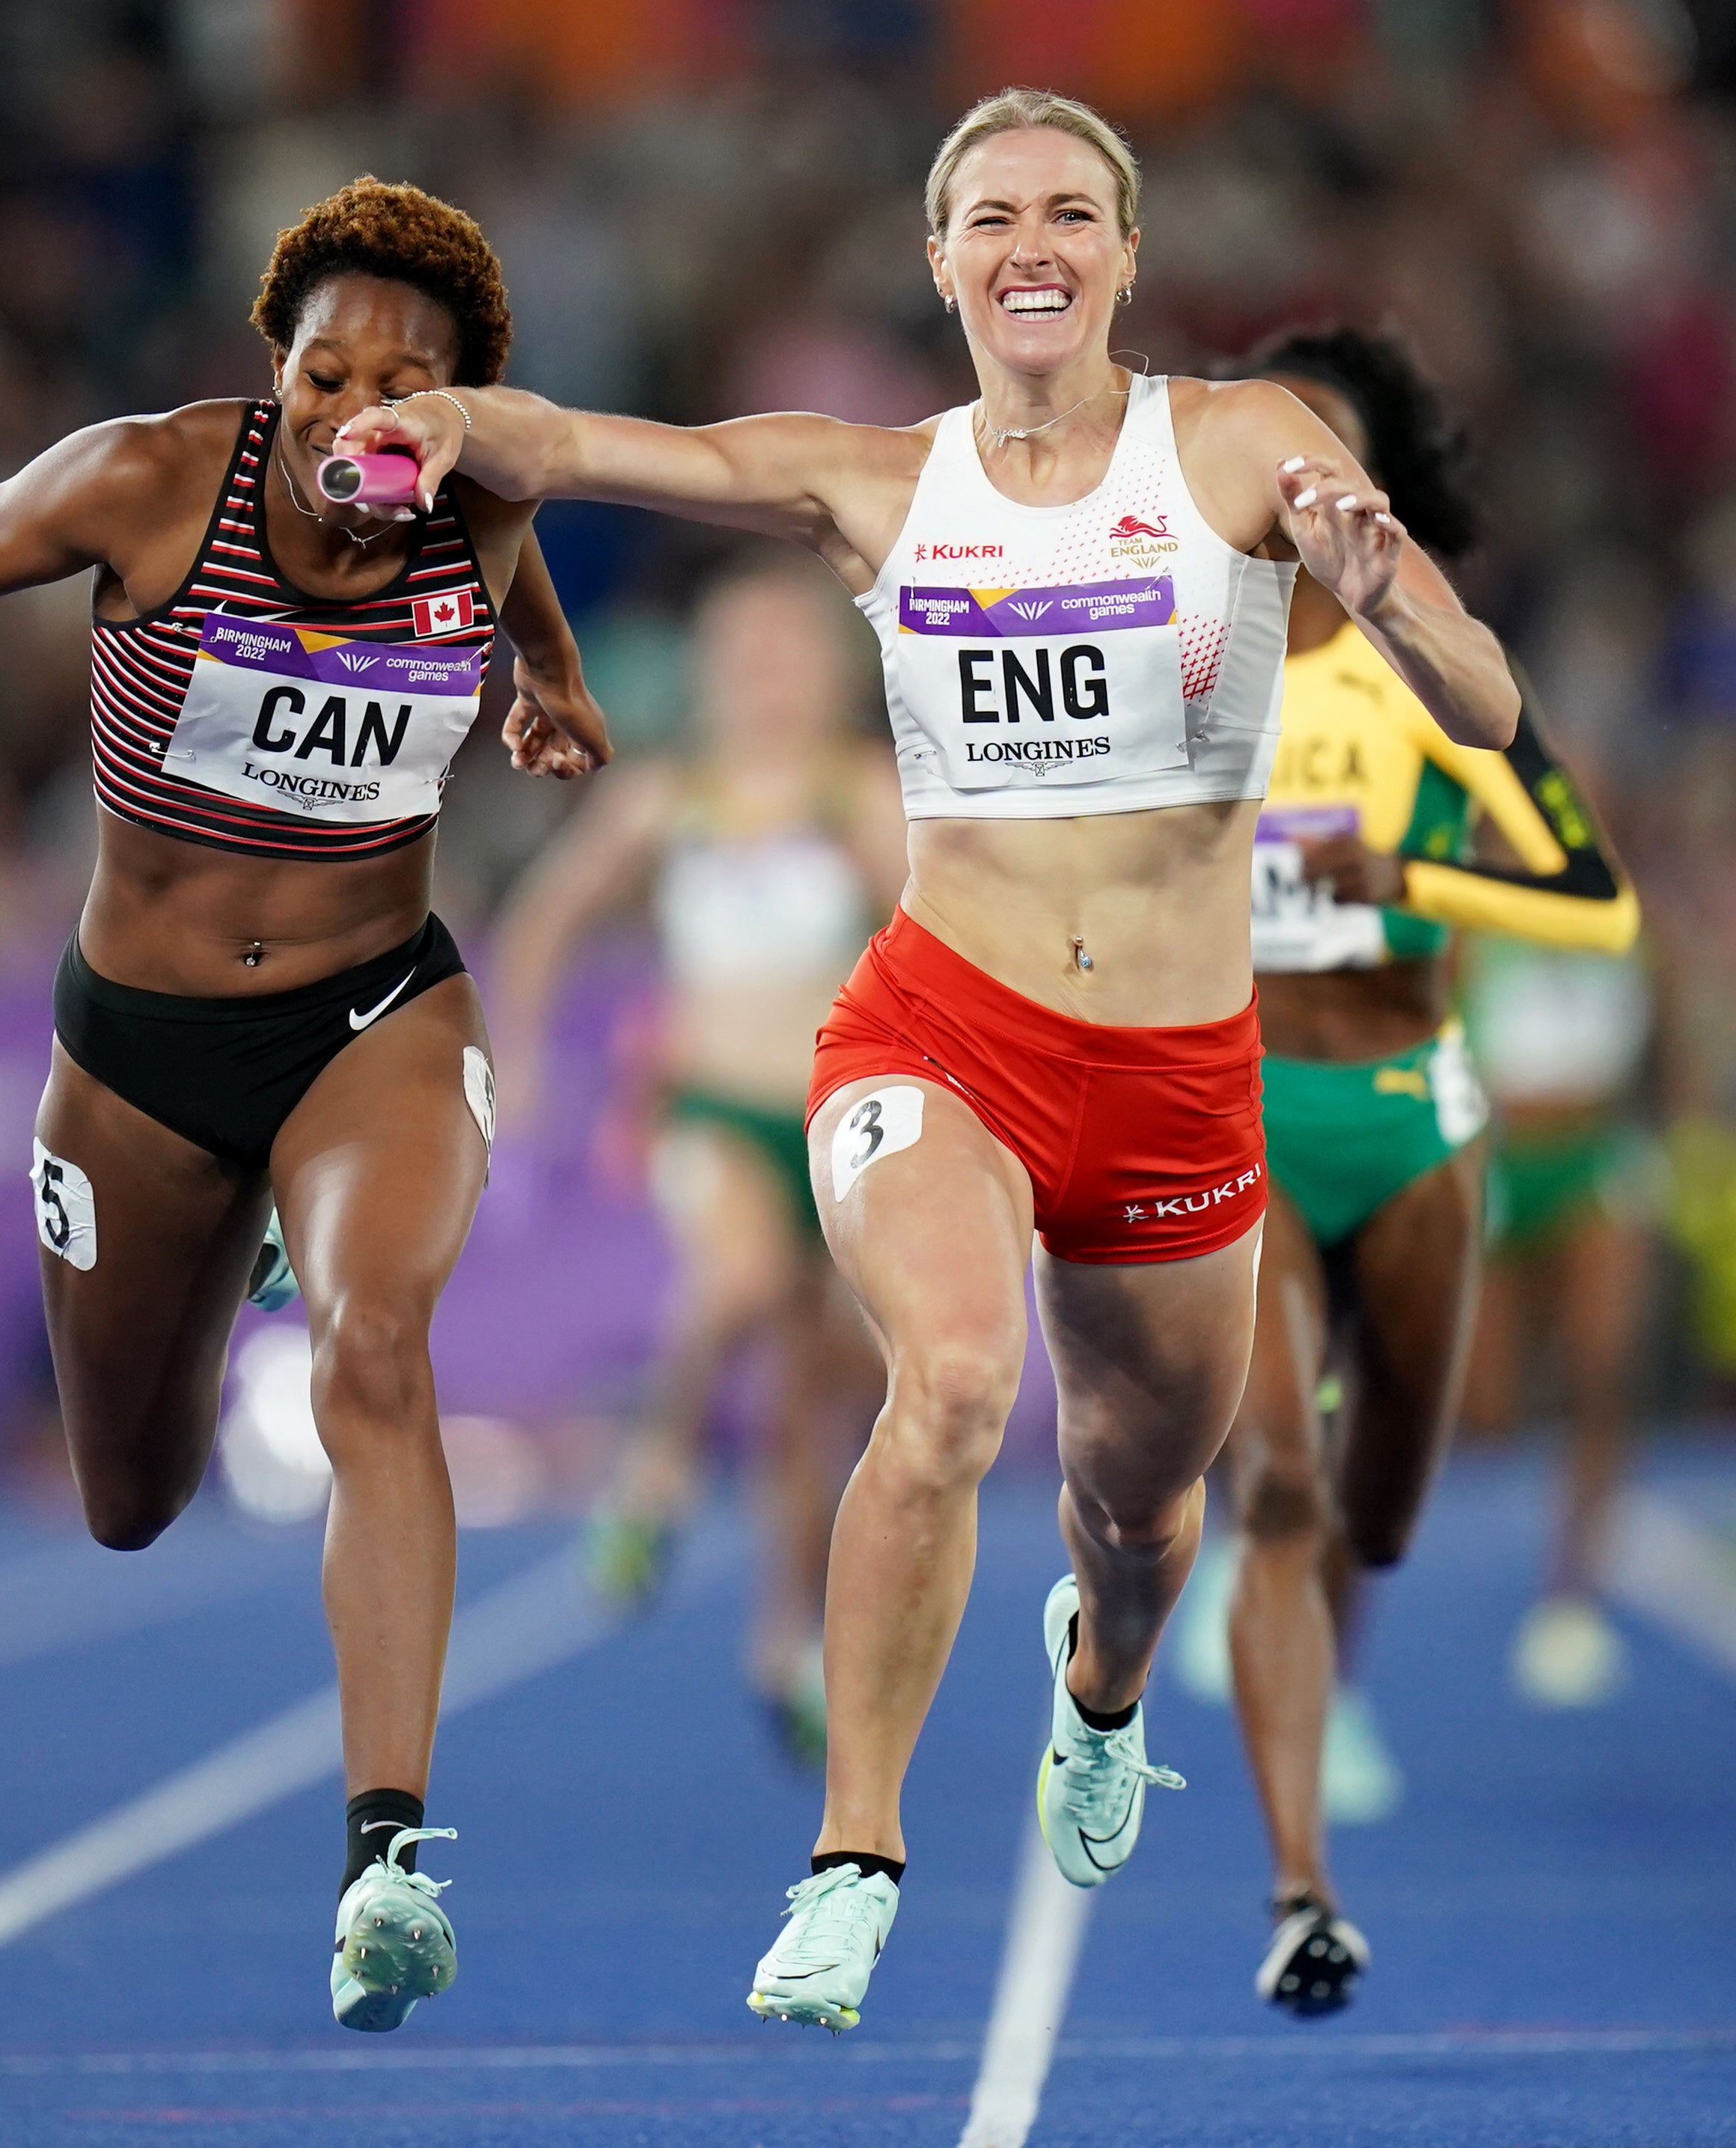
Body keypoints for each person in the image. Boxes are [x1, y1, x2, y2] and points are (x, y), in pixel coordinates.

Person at [331, 87, 1520, 2032]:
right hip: (940, 1027)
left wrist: (1386, 594)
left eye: (1072, 209)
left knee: (1138, 1516)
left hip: (1172, 1072)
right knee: (955, 1379)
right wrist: (458, 423)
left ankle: (1104, 1694)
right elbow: (613, 447)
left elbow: (1483, 690)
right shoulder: (878, 479)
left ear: (1127, 251)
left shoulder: (1239, 448)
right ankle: (853, 1856)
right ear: (942, 256)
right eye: (992, 214)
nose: (1031, 241)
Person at [0, 179, 610, 2036]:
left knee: (373, 1357)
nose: (354, 418)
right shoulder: (149, 484)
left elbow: (516, 574)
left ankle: (384, 1858)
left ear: (461, 408)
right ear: (273, 375)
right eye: (318, 376)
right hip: (140, 1054)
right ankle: (236, 1219)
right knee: (128, 1497)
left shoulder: (487, 501)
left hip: (375, 1015)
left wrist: (552, 684)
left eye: (398, 390)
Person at [1199, 326, 1640, 2019]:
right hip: (1232, 1101)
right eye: (1274, 450)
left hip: (1401, 1109)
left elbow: (1585, 891)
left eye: (1336, 456)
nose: (1300, 487)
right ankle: (1297, 1884)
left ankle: (1326, 1664)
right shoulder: (1183, 645)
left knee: (1368, 1502)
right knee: (1273, 1488)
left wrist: (1401, 877)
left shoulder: (1430, 666)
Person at [484, 554, 905, 1762]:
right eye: (746, 653)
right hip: (711, 1109)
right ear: (708, 676)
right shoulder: (668, 799)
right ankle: (652, 1469)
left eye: (790, 652)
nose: (769, 679)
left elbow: (938, 930)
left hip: (839, 1121)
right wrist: (519, 1057)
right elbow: (543, 915)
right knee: (737, 1285)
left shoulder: (858, 793)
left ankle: (785, 1639)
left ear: (832, 674)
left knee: (810, 1403)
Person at [1457, 928, 1657, 1704]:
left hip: (1595, 1159)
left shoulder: (1628, 932)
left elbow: (1670, 1049)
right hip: (1501, 1160)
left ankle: (1572, 1591)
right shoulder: (1471, 937)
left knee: (1603, 1368)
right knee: (1487, 1413)